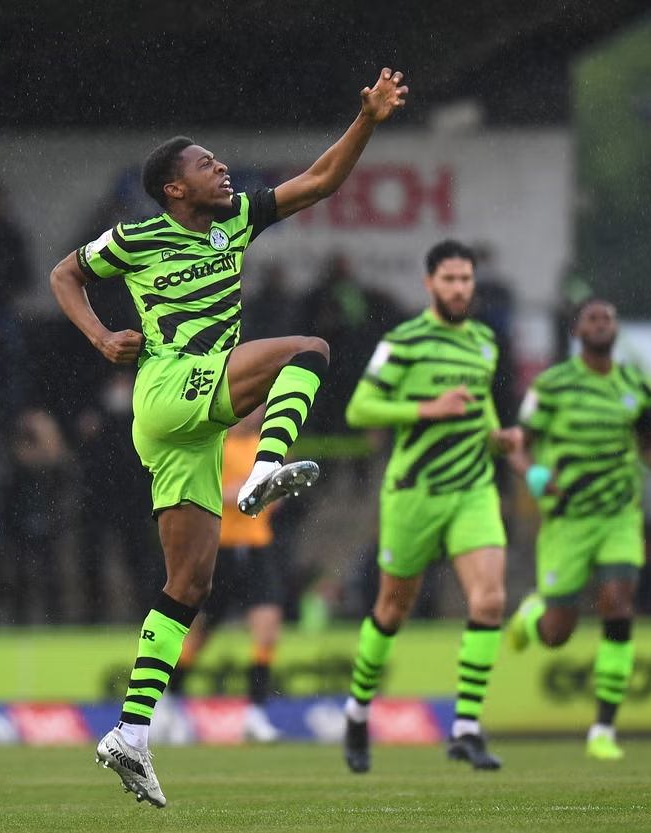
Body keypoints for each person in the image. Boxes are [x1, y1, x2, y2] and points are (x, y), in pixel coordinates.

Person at [49, 67, 408, 807]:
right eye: (205, 163)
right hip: (169, 386)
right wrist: (98, 337)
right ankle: (266, 464)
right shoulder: (137, 236)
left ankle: (131, 731)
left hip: (187, 423)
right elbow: (63, 275)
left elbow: (319, 180)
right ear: (174, 187)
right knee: (308, 350)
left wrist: (367, 119)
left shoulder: (233, 219)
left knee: (190, 584)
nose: (220, 168)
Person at [340, 240, 519, 775]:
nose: (461, 289)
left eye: (467, 280)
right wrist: (428, 408)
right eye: (450, 280)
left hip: (473, 489)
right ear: (429, 284)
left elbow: (481, 401)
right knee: (392, 611)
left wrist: (496, 437)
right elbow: (359, 408)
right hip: (415, 493)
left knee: (489, 601)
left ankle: (465, 727)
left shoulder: (485, 342)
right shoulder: (404, 341)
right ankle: (357, 710)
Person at [505, 298, 651, 761]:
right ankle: (531, 617)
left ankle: (603, 729)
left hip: (620, 516)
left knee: (617, 603)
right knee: (557, 633)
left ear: (617, 329)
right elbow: (518, 445)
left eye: (609, 318)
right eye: (593, 318)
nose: (602, 323)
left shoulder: (637, 387)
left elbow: (650, 444)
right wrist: (535, 475)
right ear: (577, 330)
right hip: (567, 519)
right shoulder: (553, 386)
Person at [159, 408, 286, 743]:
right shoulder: (215, 445)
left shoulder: (269, 447)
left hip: (258, 548)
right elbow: (207, 493)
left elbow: (274, 497)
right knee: (200, 635)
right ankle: (168, 702)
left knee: (267, 630)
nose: (257, 413)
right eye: (253, 406)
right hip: (221, 550)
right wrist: (239, 494)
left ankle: (256, 714)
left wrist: (261, 493)